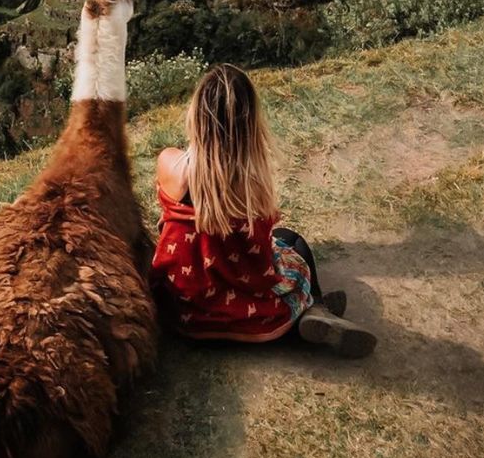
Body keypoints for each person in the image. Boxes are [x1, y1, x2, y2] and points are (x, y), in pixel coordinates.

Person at [151, 63, 376, 355]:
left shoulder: (169, 162)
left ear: (196, 115)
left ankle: (313, 310)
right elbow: (260, 262)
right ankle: (311, 309)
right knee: (294, 242)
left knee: (269, 246)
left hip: (181, 310)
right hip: (240, 315)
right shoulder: (251, 186)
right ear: (250, 123)